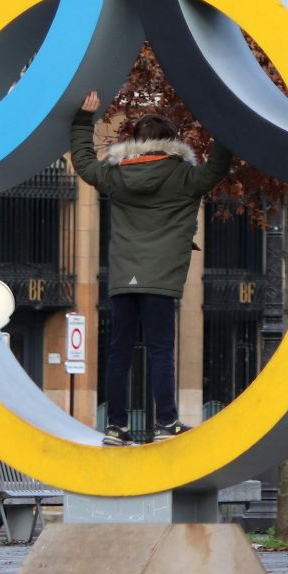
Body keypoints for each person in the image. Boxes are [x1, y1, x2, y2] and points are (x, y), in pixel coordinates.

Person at [72, 91, 233, 445]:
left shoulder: (116, 175)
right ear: (171, 142)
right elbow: (218, 168)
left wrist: (83, 121)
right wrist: (225, 123)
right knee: (160, 349)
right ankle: (166, 422)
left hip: (123, 278)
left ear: (136, 141)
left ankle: (115, 426)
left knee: (119, 350)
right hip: (161, 280)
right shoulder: (184, 176)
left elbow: (83, 163)